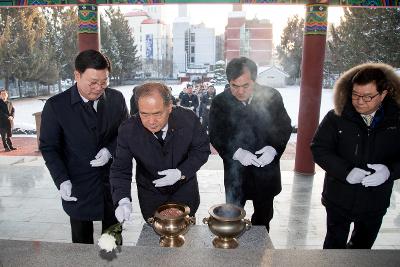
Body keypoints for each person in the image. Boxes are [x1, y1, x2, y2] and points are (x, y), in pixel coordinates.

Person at [39, 50, 129, 244]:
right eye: (93, 82)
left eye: (104, 82)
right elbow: (49, 147)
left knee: (113, 239)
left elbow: (125, 135)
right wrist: (62, 180)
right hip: (78, 183)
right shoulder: (56, 106)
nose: (99, 88)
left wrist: (109, 151)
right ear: (77, 75)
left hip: (111, 183)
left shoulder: (117, 99)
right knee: (81, 243)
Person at [311, 63, 400, 249]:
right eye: (355, 95)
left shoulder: (396, 120)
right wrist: (346, 171)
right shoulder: (336, 117)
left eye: (368, 97)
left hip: (375, 200)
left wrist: (389, 171)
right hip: (338, 197)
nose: (360, 101)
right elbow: (319, 148)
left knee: (362, 250)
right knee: (333, 248)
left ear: (383, 94)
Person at [209, 57, 292, 231]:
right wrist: (236, 152)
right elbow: (217, 134)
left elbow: (284, 127)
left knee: (263, 219)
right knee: (232, 218)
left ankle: (259, 252)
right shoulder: (220, 102)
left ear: (254, 80)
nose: (239, 92)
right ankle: (234, 252)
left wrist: (273, 148)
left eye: (245, 86)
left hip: (266, 170)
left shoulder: (272, 96)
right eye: (234, 86)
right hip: (235, 172)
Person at [109, 82, 210, 222]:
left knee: (186, 234)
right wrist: (122, 200)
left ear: (169, 107)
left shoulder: (188, 119)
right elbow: (120, 168)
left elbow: (201, 150)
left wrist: (181, 173)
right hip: (151, 195)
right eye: (144, 114)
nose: (151, 121)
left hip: (184, 191)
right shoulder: (128, 129)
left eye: (157, 114)